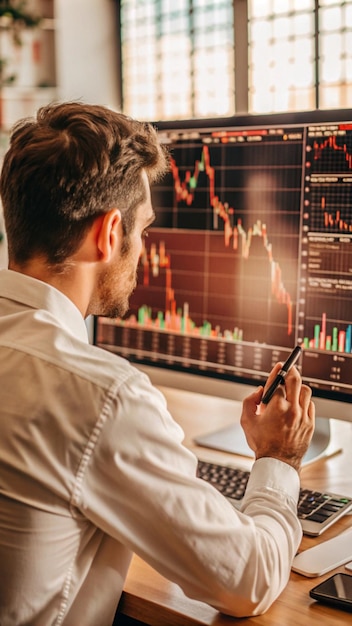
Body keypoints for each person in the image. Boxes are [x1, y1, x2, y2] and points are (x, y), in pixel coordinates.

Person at [0, 101, 315, 626]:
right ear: (106, 235)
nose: (145, 249)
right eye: (142, 230)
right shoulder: (103, 398)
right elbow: (248, 580)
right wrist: (278, 459)